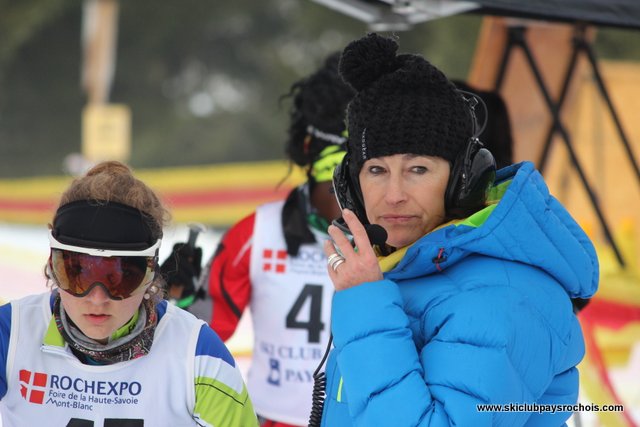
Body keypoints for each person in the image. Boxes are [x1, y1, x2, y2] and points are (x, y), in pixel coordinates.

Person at [317, 33, 599, 426]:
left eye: (418, 169)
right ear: (351, 185)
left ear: (463, 179)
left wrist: (365, 303)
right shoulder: (403, 272)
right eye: (376, 170)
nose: (393, 195)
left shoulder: (505, 297)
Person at [162, 53, 355, 427]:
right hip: (271, 418)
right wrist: (172, 296)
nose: (344, 198)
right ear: (308, 153)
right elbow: (203, 331)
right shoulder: (255, 233)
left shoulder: (394, 235)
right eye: (333, 181)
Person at [0, 161, 258, 426]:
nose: (97, 299)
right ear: (53, 266)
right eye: (77, 273)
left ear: (151, 276)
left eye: (121, 278)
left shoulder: (198, 353)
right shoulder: (11, 333)